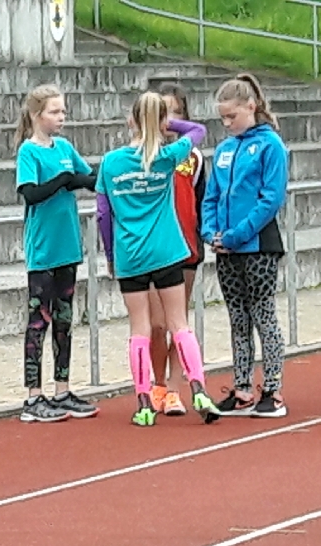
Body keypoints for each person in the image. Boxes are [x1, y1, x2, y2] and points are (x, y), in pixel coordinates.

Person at [96, 92, 217, 427]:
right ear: (160, 122)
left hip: (130, 254)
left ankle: (144, 402)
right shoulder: (166, 156)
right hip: (167, 250)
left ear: (130, 120)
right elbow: (197, 130)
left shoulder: (111, 162)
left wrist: (110, 255)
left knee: (140, 329)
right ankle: (199, 389)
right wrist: (166, 123)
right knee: (179, 323)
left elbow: (103, 215)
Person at [202, 74, 290, 418]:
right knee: (237, 318)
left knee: (263, 314)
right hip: (226, 248)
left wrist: (237, 233)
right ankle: (241, 388)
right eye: (222, 118)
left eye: (232, 117)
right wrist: (211, 232)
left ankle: (273, 389)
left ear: (251, 107)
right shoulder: (223, 149)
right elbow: (211, 196)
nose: (227, 124)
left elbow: (270, 199)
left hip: (259, 246)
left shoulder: (271, 146)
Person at [14, 84, 98, 423]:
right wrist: (64, 179)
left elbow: (89, 178)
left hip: (68, 247)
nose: (61, 117)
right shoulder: (29, 152)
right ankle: (33, 396)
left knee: (65, 319)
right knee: (39, 320)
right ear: (37, 115)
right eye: (54, 112)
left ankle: (62, 388)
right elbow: (31, 193)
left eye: (62, 112)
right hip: (44, 250)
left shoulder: (64, 147)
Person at [148, 82, 208, 417]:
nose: (168, 120)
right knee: (156, 324)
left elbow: (201, 200)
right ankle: (155, 383)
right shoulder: (143, 156)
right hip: (154, 249)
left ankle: (173, 388)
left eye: (175, 113)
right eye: (162, 113)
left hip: (186, 248)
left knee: (177, 322)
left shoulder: (193, 157)